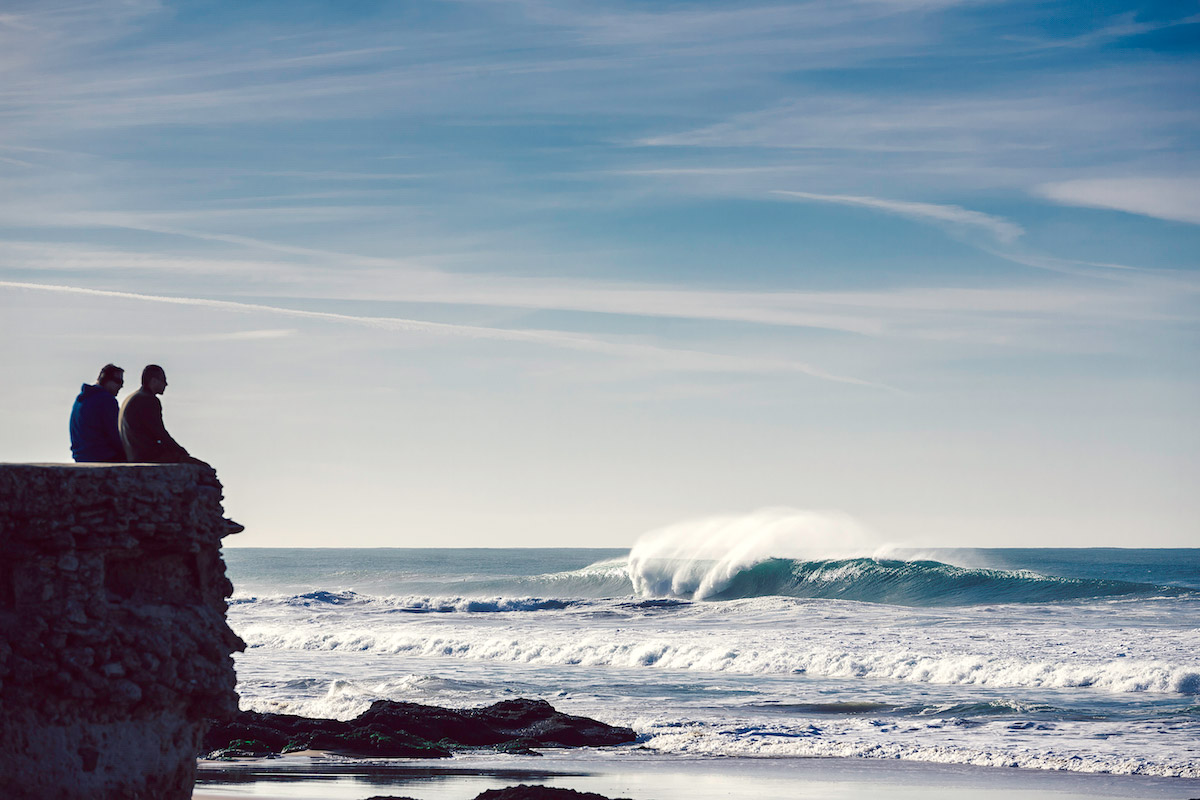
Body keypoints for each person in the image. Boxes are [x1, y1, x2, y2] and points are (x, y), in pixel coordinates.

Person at [119, 364, 210, 467]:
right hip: (148, 456)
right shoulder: (149, 400)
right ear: (153, 381)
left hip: (133, 456)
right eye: (163, 380)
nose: (166, 384)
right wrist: (180, 450)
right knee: (204, 468)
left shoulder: (130, 398)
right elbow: (159, 432)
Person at [69, 363, 127, 462]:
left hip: (80, 457)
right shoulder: (106, 400)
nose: (121, 386)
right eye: (118, 381)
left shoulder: (80, 399)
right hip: (102, 456)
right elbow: (114, 434)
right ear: (106, 380)